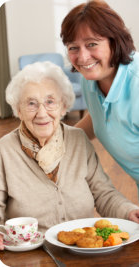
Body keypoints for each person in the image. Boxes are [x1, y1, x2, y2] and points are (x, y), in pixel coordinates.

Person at [0, 61, 139, 251]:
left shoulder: (78, 139)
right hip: (32, 254)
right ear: (18, 110)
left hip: (84, 250)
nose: (42, 113)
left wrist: (129, 211)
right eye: (31, 103)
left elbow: (104, 192)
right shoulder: (3, 150)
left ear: (63, 107)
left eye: (50, 102)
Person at [60, 0, 139, 197]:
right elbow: (99, 115)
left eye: (92, 44)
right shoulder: (92, 77)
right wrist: (57, 142)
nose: (83, 57)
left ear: (115, 41)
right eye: (73, 47)